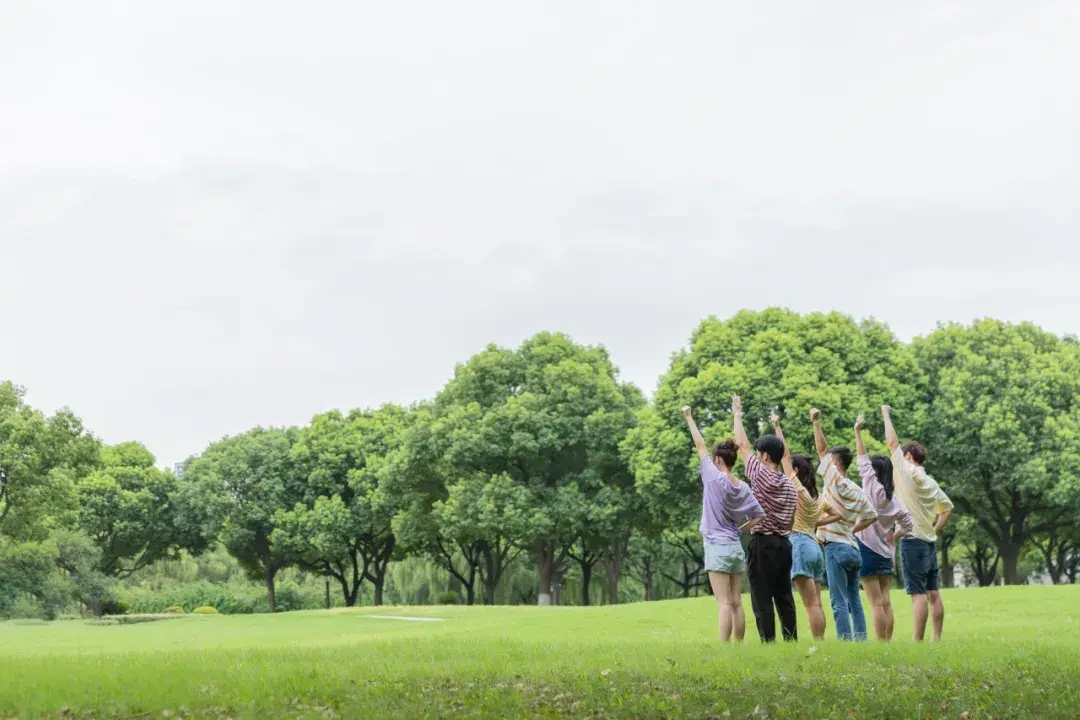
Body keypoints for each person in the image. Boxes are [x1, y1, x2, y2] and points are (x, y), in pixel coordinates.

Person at [682, 406, 765, 643]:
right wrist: (741, 530)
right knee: (737, 601)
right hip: (734, 547)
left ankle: (725, 646)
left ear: (718, 459)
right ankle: (738, 645)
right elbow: (759, 516)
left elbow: (700, 445)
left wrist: (689, 417)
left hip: (716, 547)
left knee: (724, 603)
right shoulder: (743, 487)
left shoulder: (712, 476)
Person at [882, 405, 954, 642]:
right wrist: (934, 530)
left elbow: (892, 442)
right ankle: (936, 638)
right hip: (929, 543)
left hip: (913, 543)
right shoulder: (931, 482)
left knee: (918, 595)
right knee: (934, 593)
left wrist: (885, 413)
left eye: (903, 457)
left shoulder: (907, 472)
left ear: (909, 457)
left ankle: (917, 641)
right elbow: (948, 508)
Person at [731, 395, 799, 642]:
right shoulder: (791, 487)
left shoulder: (761, 475)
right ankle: (791, 640)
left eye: (759, 454)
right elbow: (791, 522)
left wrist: (737, 413)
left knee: (761, 596)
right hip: (784, 544)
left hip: (763, 544)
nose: (756, 457)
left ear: (766, 456)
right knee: (784, 596)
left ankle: (768, 642)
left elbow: (741, 445)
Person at [770, 414, 842, 641]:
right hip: (814, 547)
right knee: (817, 603)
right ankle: (820, 644)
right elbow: (837, 514)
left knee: (810, 605)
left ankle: (818, 645)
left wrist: (777, 426)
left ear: (797, 471)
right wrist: (814, 524)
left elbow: (784, 455)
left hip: (800, 544)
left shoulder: (799, 490)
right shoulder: (819, 497)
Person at [810, 408, 878, 641]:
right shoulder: (858, 490)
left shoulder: (835, 482)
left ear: (835, 463)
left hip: (835, 548)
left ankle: (844, 641)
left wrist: (816, 423)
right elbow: (872, 516)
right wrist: (851, 529)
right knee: (855, 601)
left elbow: (821, 450)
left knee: (838, 601)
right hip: (853, 549)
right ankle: (860, 639)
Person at [853, 414, 914, 642]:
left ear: (875, 473)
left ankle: (879, 644)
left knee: (875, 602)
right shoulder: (892, 499)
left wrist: (858, 432)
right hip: (886, 553)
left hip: (867, 549)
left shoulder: (871, 489)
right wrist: (894, 535)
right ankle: (887, 642)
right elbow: (908, 522)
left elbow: (861, 459)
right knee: (886, 600)